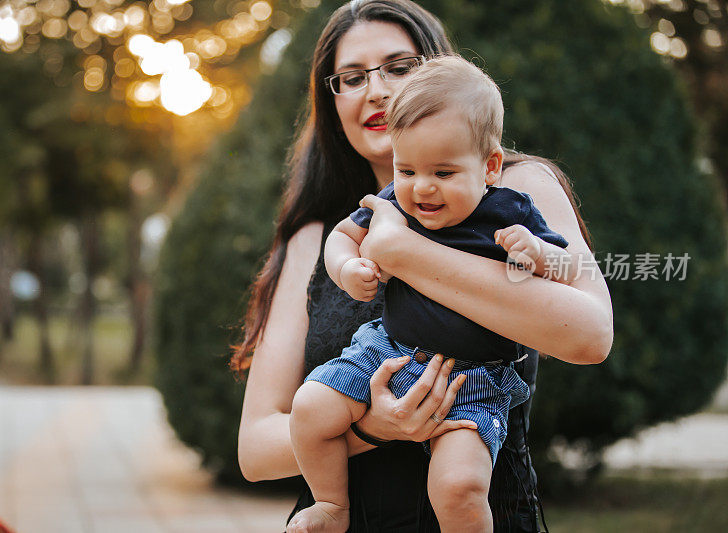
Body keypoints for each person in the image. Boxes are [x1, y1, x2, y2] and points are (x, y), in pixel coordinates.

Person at [233, 1, 613, 531]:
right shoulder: (319, 238)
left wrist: (404, 252)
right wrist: (373, 428)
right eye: (351, 77)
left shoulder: (516, 191)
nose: (377, 91)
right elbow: (255, 449)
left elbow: (591, 336)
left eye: (398, 67)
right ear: (333, 97)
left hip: (482, 506)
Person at [288, 55, 576, 533]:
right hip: (387, 353)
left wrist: (538, 253)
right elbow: (342, 236)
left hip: (474, 380)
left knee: (459, 487)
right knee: (310, 409)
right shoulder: (389, 205)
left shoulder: (508, 209)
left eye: (443, 173)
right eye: (407, 170)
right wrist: (347, 268)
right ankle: (331, 506)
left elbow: (572, 269)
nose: (421, 189)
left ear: (490, 166)